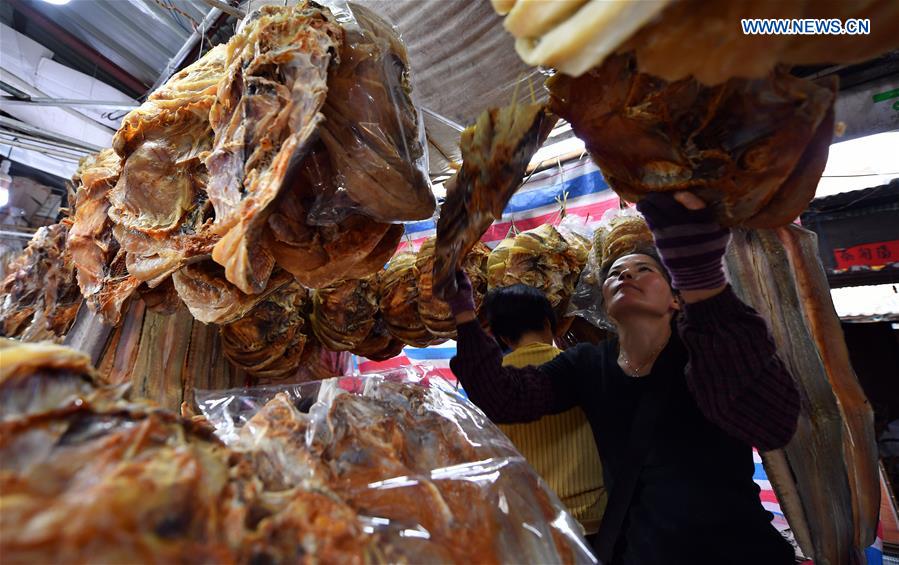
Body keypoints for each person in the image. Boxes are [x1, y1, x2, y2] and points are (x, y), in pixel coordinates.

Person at [447, 192, 800, 565]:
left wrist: (703, 280)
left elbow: (771, 423)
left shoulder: (704, 348)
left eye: (644, 270)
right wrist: (466, 318)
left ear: (675, 299)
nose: (626, 274)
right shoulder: (586, 363)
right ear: (605, 302)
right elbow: (506, 398)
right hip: (643, 552)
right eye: (614, 274)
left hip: (738, 549)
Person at [483, 284, 606, 539]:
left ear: (503, 337)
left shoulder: (490, 387)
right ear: (548, 322)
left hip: (533, 522)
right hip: (593, 516)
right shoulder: (585, 365)